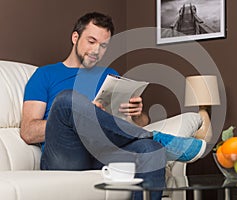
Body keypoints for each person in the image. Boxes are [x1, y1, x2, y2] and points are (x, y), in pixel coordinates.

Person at [20, 12, 210, 200]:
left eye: (103, 46)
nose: (96, 51)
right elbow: (28, 131)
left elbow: (137, 122)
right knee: (67, 100)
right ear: (75, 37)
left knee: (153, 150)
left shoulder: (110, 74)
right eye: (91, 41)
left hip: (103, 152)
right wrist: (84, 115)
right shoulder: (45, 75)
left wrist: (136, 114)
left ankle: (155, 141)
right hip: (66, 155)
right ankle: (158, 137)